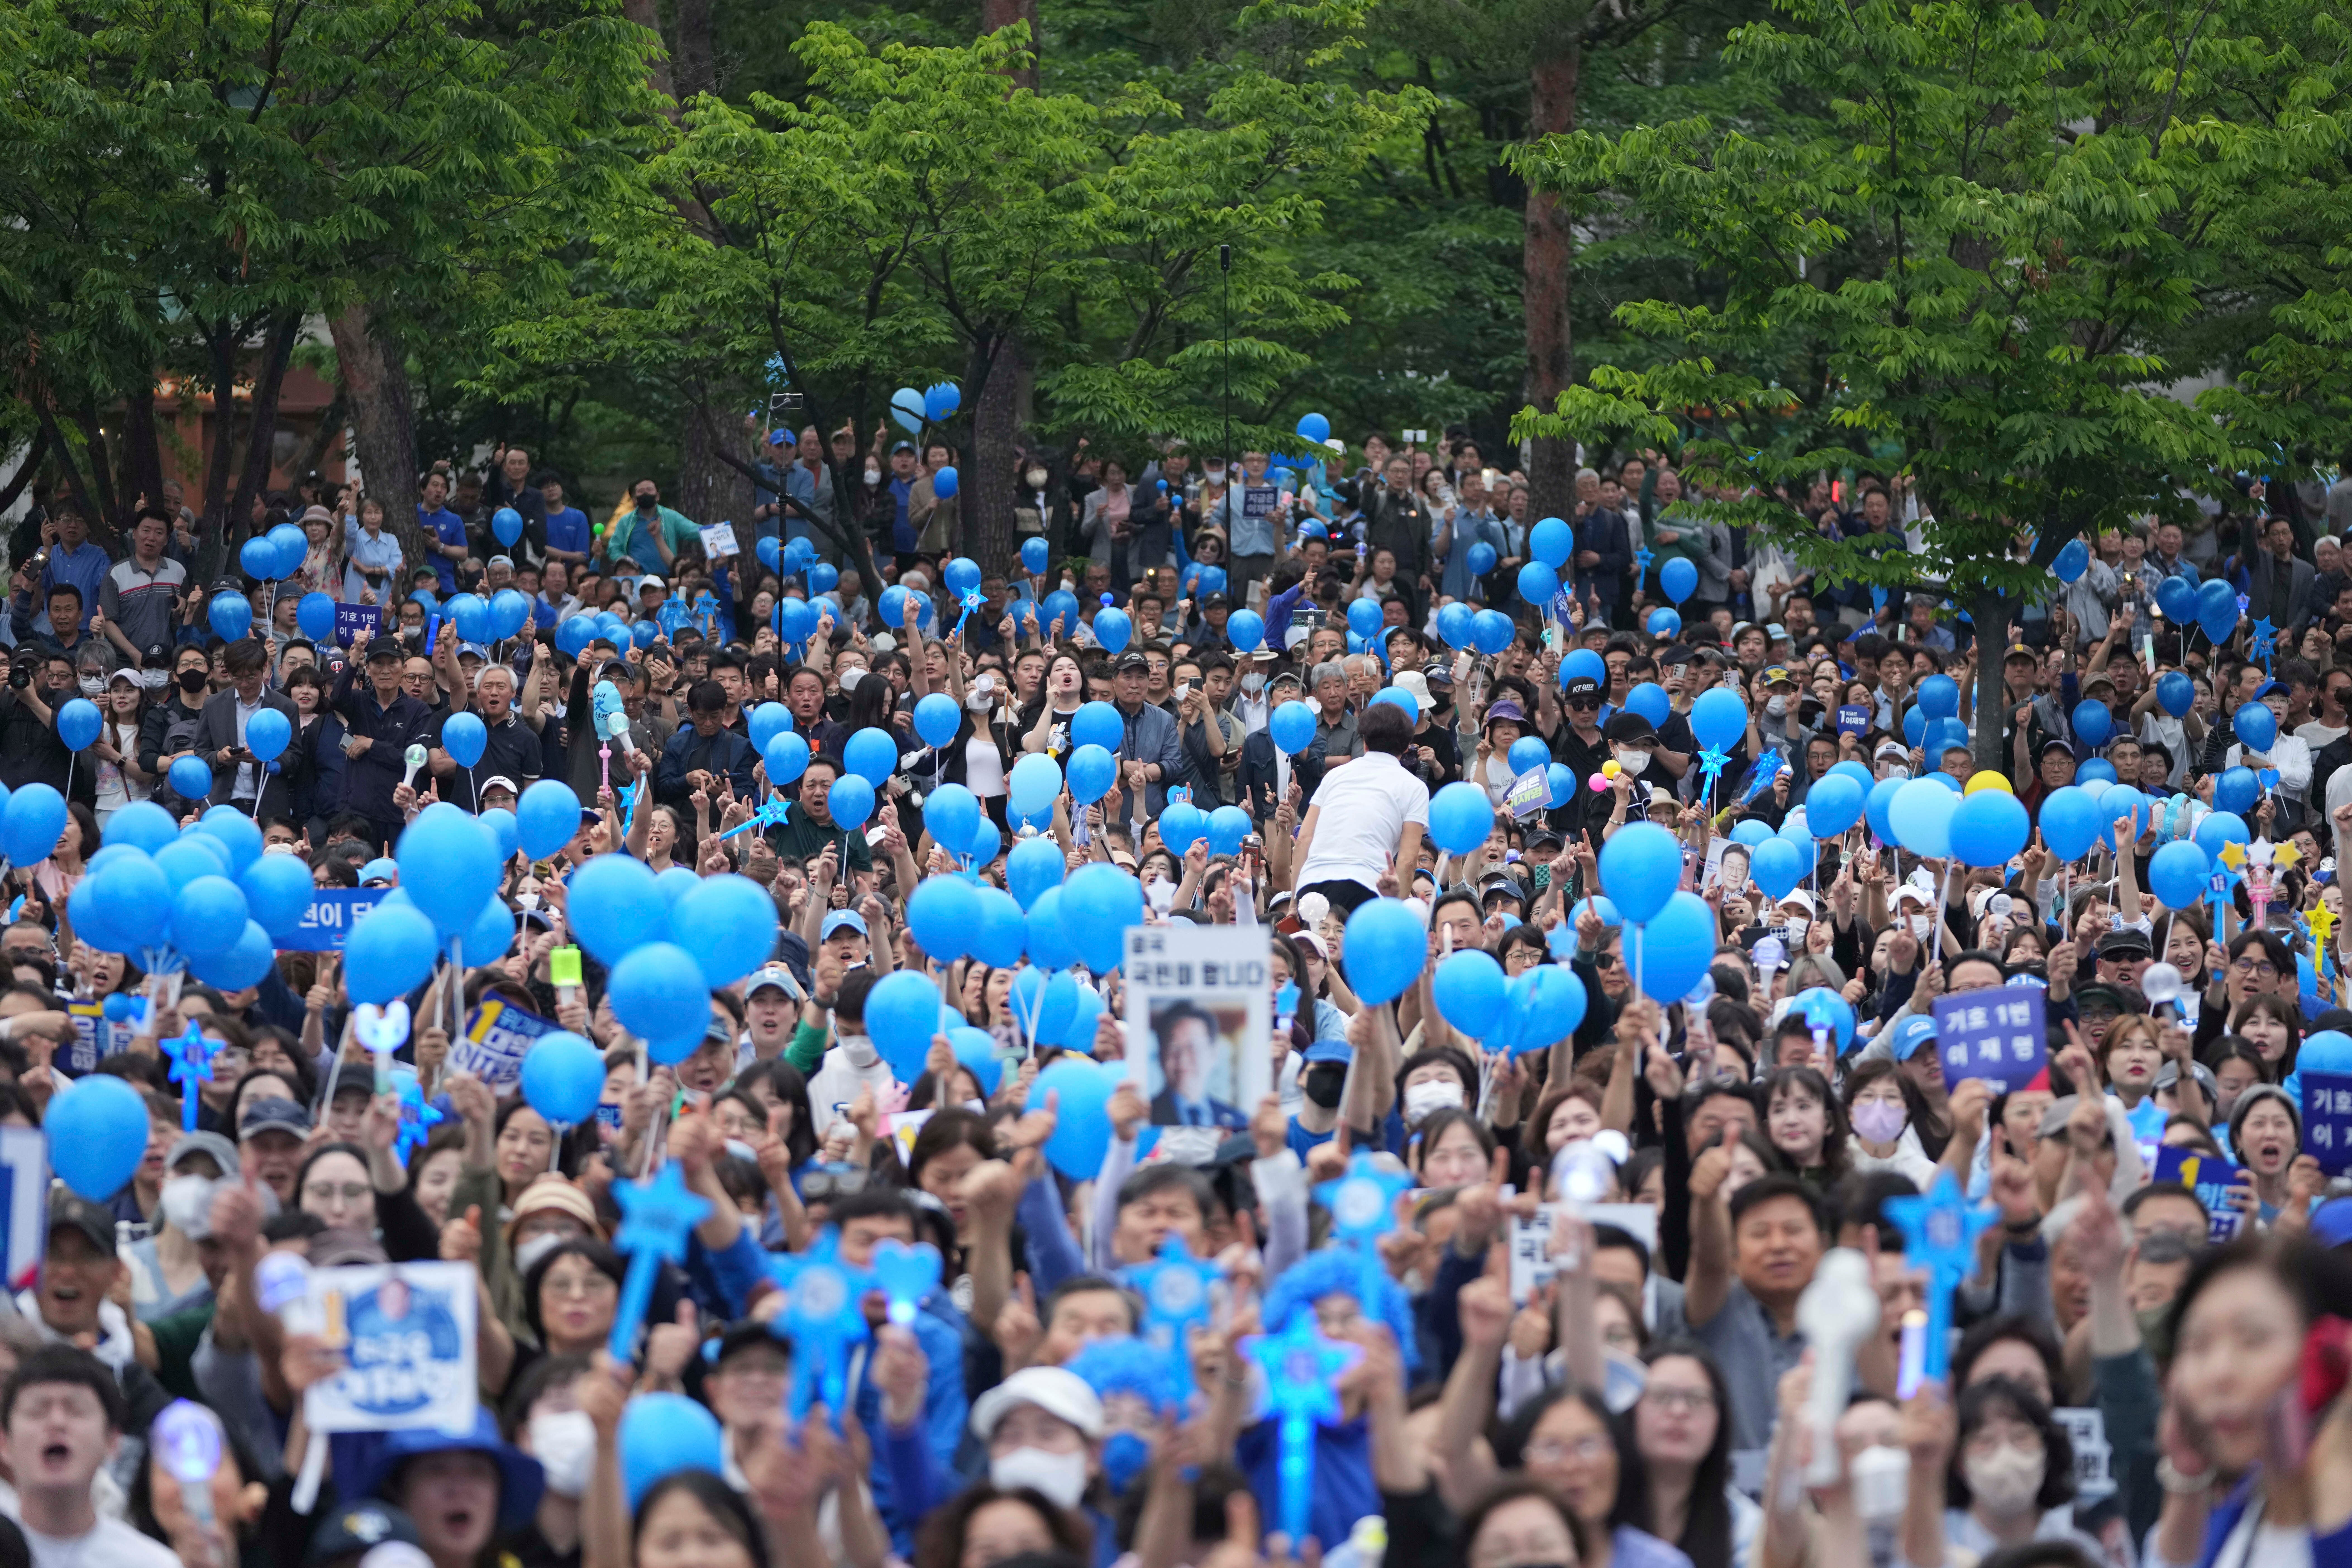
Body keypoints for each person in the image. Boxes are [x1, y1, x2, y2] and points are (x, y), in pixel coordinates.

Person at [0, 1347, 178, 1567]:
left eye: (76, 1410)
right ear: (5, 1442)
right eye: (38, 1410)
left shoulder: (153, 1563)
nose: (57, 1422)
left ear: (113, 1441)